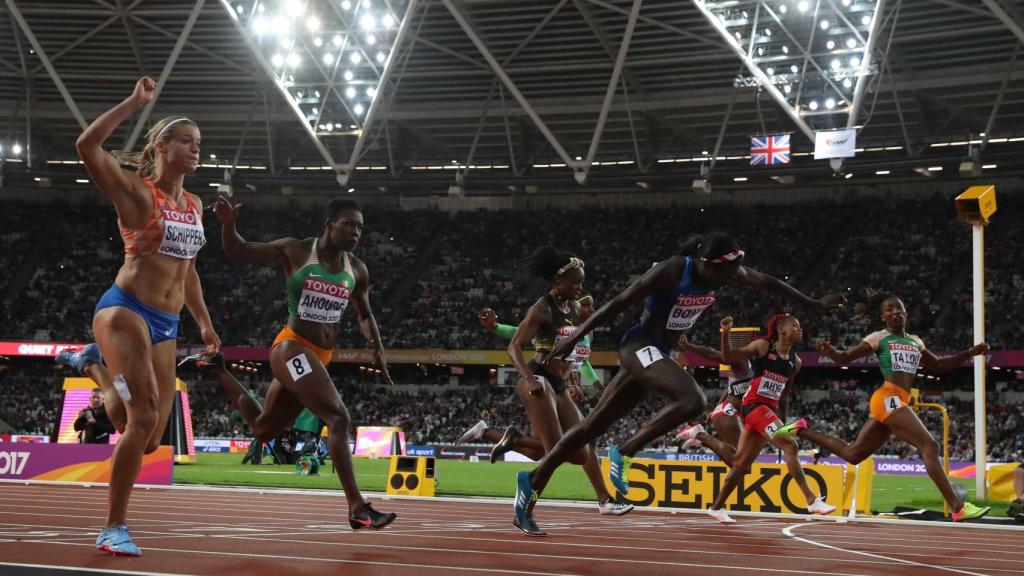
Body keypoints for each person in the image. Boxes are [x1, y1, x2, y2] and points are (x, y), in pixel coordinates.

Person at [512, 232, 845, 535]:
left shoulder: (728, 271)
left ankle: (532, 481)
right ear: (705, 264)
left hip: (658, 351)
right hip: (638, 345)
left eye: (733, 275)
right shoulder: (672, 271)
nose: (728, 281)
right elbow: (617, 304)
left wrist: (811, 304)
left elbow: (768, 282)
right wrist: (575, 339)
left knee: (589, 429)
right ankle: (625, 451)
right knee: (694, 399)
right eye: (723, 275)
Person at [76, 77, 221, 556]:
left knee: (152, 435)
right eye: (187, 141)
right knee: (140, 418)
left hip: (167, 322)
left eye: (199, 143)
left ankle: (96, 368)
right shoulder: (139, 194)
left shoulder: (195, 205)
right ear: (161, 146)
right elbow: (87, 145)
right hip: (125, 311)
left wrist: (203, 322)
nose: (196, 149)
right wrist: (135, 103)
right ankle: (112, 526)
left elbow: (189, 270)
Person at [205, 195, 396, 530]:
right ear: (330, 225)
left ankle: (219, 370)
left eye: (360, 227)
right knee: (338, 418)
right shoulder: (296, 250)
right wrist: (228, 224)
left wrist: (377, 347)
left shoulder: (357, 270)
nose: (355, 232)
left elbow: (365, 314)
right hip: (291, 348)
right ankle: (357, 507)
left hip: (319, 356)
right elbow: (238, 250)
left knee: (265, 429)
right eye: (349, 224)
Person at [775, 293, 991, 522]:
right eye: (889, 309)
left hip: (898, 401)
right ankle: (958, 507)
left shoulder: (916, 341)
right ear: (882, 317)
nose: (895, 312)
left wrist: (970, 353)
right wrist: (830, 352)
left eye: (899, 308)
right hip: (887, 397)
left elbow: (939, 365)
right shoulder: (879, 337)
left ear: (906, 313)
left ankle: (800, 430)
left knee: (853, 454)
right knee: (929, 445)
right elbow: (844, 358)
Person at [461, 248, 632, 526]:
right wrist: (529, 378)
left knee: (581, 447)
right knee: (553, 452)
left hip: (559, 383)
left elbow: (571, 356)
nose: (580, 289)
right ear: (556, 281)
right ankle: (524, 511)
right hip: (538, 378)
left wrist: (573, 381)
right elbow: (514, 346)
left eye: (581, 283)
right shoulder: (541, 309)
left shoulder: (575, 309)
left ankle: (604, 500)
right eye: (575, 283)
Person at [705, 314, 835, 523]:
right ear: (782, 330)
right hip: (753, 406)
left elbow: (784, 394)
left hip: (767, 411)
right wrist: (726, 333)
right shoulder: (763, 346)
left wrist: (781, 421)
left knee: (740, 464)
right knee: (790, 446)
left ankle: (716, 507)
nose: (800, 329)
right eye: (795, 326)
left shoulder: (796, 361)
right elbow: (728, 357)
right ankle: (811, 500)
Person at [673, 333, 751, 451]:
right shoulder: (740, 361)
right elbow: (711, 353)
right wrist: (689, 346)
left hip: (739, 411)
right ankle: (701, 436)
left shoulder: (754, 367)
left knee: (737, 454)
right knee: (739, 456)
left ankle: (703, 440)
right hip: (729, 412)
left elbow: (729, 389)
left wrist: (716, 407)